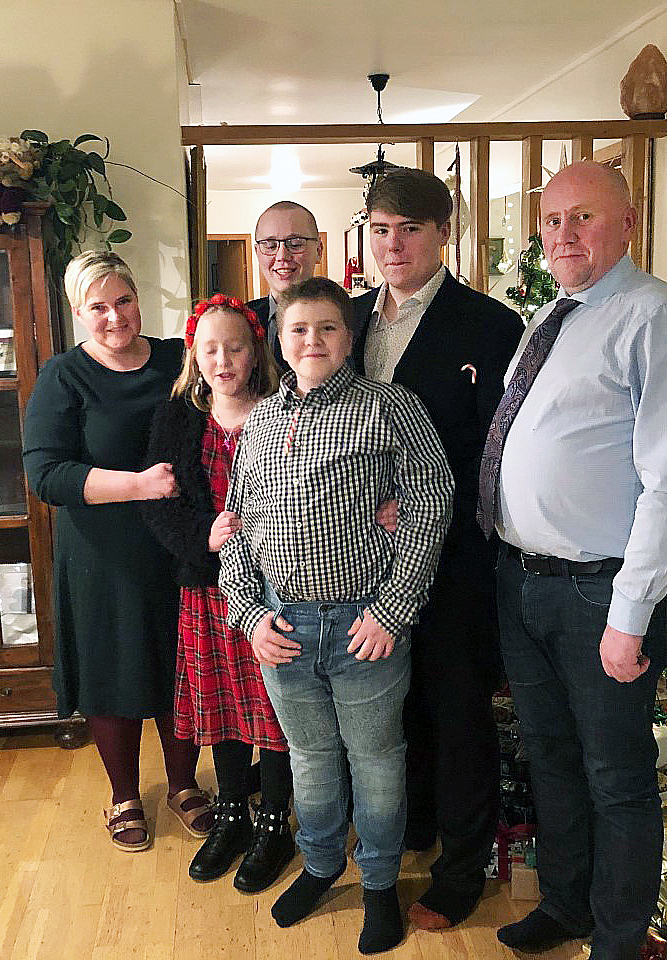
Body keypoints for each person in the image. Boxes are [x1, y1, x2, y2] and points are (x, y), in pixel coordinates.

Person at [479, 161, 667, 960]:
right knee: (550, 759)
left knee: (616, 778)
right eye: (552, 221)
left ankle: (617, 942)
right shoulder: (550, 317)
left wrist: (631, 614)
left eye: (583, 216)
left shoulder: (662, 318)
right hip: (524, 580)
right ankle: (566, 905)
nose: (564, 235)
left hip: (600, 595)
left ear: (628, 222)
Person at [218, 277, 453, 955]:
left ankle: (378, 882)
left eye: (327, 328)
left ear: (349, 338)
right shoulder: (263, 421)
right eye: (299, 329)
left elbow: (431, 500)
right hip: (283, 627)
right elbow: (237, 524)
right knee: (312, 759)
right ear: (279, 340)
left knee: (376, 761)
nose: (312, 340)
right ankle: (321, 866)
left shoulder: (388, 407)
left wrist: (393, 609)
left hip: (363, 628)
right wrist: (249, 613)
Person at [352, 167, 523, 930]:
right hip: (364, 561)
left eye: (410, 230)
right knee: (394, 706)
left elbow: (497, 450)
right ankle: (414, 829)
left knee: (457, 713)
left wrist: (422, 508)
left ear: (443, 234)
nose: (393, 246)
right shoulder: (347, 319)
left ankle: (462, 869)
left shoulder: (489, 325)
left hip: (452, 557)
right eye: (381, 230)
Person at [22, 250, 214, 855]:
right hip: (102, 554)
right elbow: (46, 475)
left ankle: (184, 785)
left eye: (124, 300)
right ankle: (125, 795)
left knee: (179, 665)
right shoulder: (64, 376)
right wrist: (138, 484)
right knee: (114, 670)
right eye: (98, 306)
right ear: (78, 313)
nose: (115, 316)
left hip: (177, 544)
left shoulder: (177, 359)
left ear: (137, 298)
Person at [140, 294, 296, 893]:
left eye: (235, 348)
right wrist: (201, 536)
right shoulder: (177, 417)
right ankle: (231, 813)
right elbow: (160, 505)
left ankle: (274, 822)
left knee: (275, 711)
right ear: (193, 355)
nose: (223, 361)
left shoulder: (285, 410)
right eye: (210, 350)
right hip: (208, 590)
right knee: (224, 709)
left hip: (277, 588)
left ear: (256, 352)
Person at [248, 201, 324, 372]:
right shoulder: (242, 321)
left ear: (319, 250)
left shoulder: (349, 319)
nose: (282, 256)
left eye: (295, 244)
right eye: (270, 245)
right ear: (257, 253)